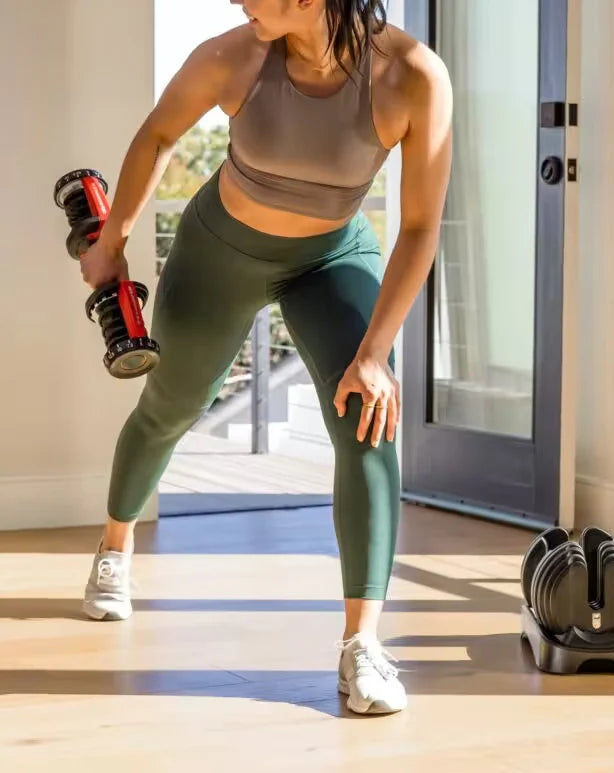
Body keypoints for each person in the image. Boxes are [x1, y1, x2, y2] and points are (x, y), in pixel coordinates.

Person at [77, 0, 452, 715]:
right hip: (220, 250)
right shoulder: (235, 55)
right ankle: (114, 546)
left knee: (368, 415)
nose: (236, 0)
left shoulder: (413, 77)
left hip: (332, 256)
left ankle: (361, 645)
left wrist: (374, 352)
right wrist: (114, 237)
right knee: (171, 405)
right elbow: (159, 134)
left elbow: (419, 224)